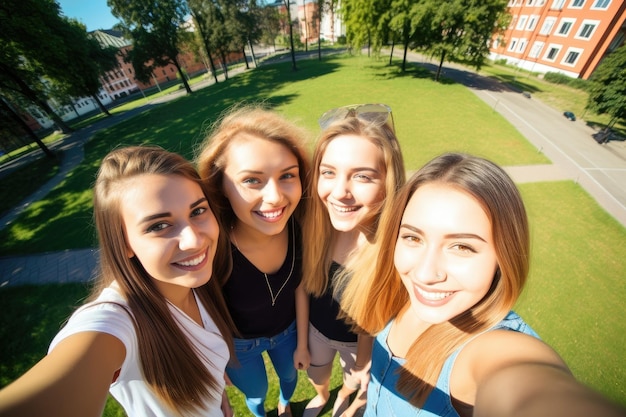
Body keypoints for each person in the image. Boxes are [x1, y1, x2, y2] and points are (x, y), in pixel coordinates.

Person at [338, 152, 626, 417]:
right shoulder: (401, 293)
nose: (425, 273)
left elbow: (531, 391)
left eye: (462, 247)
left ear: (504, 255)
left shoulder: (493, 350)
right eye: (413, 238)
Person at [0, 146, 236, 417]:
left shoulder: (195, 283)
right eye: (158, 226)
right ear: (123, 244)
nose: (194, 240)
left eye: (197, 211)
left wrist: (219, 399)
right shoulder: (117, 319)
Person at [196, 106, 312, 417]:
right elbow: (198, 306)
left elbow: (301, 286)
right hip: (238, 346)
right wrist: (213, 358)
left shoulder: (302, 228)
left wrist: (302, 342)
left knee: (289, 377)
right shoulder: (210, 247)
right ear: (219, 185)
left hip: (288, 332)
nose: (275, 197)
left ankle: (286, 405)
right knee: (256, 392)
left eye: (287, 175)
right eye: (252, 180)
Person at [301, 104, 406, 417]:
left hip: (356, 346)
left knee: (356, 382)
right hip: (315, 332)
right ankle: (322, 397)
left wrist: (362, 363)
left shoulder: (394, 253)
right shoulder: (312, 227)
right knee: (317, 376)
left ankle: (345, 400)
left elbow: (372, 320)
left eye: (362, 176)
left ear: (389, 183)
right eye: (328, 173)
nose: (339, 192)